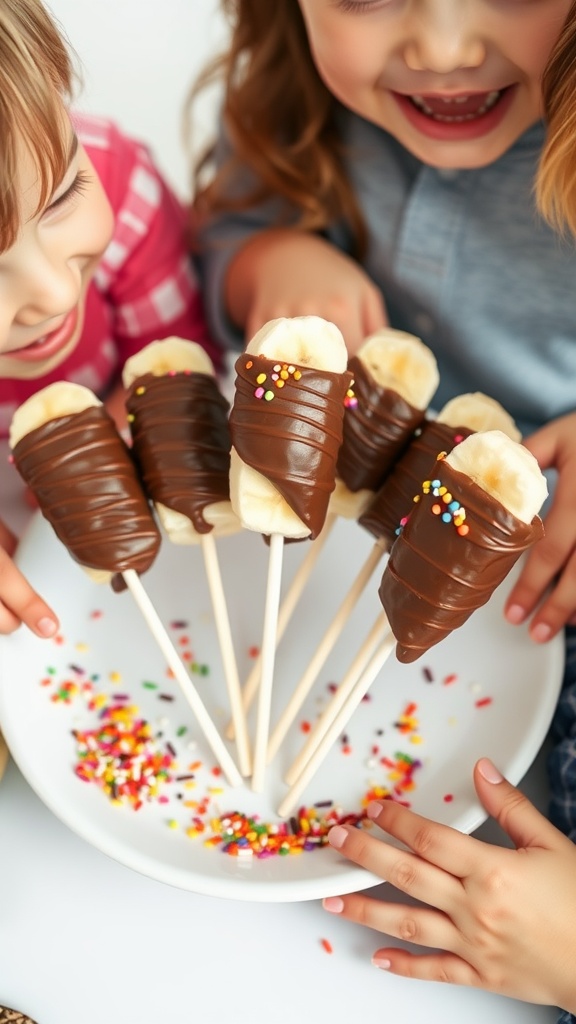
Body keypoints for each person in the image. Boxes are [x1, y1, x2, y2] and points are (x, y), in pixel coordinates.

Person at [191, 1, 576, 1018]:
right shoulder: (301, 105)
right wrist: (265, 257)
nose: (443, 48)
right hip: (372, 534)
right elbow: (224, 226)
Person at [0, 0, 219, 639]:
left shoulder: (124, 192)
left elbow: (180, 354)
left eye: (65, 194)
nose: (55, 292)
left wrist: (129, 419)